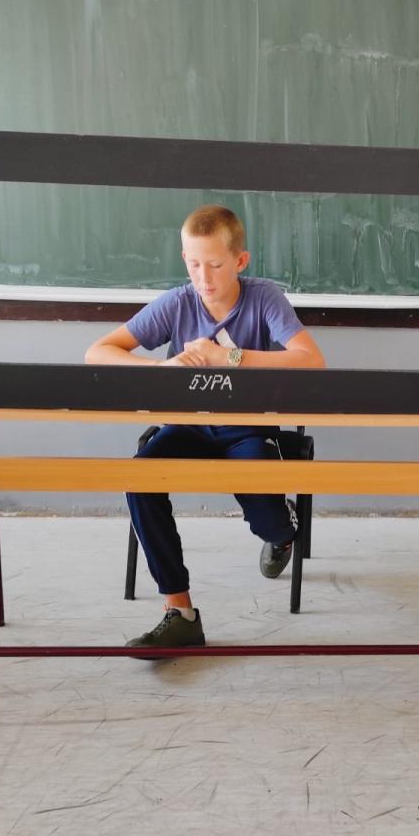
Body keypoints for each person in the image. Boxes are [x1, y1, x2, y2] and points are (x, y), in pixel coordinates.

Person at [85, 205, 326, 652]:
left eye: (215, 264)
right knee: (140, 478)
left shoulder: (264, 298)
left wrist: (227, 357)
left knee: (269, 521)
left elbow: (311, 361)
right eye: (194, 264)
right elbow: (98, 351)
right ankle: (180, 612)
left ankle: (284, 531)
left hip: (246, 430)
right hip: (187, 427)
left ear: (240, 260)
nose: (204, 277)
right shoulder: (177, 302)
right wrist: (163, 368)